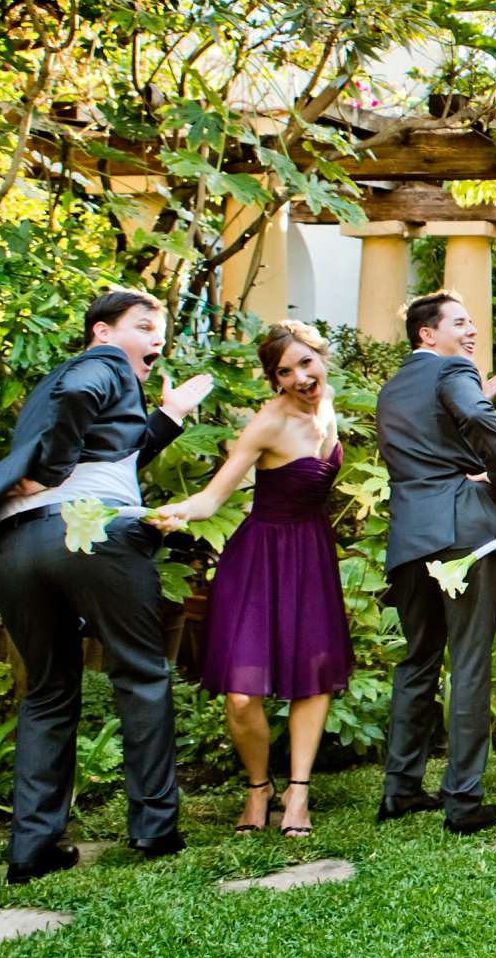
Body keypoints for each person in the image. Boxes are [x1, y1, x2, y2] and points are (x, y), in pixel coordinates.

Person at [0, 290, 212, 883]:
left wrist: (169, 415)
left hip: (15, 545)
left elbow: (111, 457)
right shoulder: (99, 367)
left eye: (162, 329)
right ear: (102, 331)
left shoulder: (57, 384)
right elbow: (81, 418)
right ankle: (154, 829)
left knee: (48, 692)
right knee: (142, 675)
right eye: (145, 326)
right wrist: (51, 469)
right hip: (87, 532)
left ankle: (31, 850)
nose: (158, 338)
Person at [150, 321, 350, 838]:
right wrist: (177, 512)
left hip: (311, 557)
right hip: (260, 558)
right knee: (241, 694)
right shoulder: (267, 423)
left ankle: (298, 792)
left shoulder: (328, 408)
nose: (300, 377)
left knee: (313, 674)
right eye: (286, 372)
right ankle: (258, 785)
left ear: (320, 357)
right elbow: (213, 498)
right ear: (275, 380)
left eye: (306, 363)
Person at [374, 290, 496, 835]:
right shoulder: (451, 370)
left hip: (409, 533)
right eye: (460, 322)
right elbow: (481, 420)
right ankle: (463, 799)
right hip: (462, 525)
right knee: (470, 660)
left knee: (418, 659)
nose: (472, 330)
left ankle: (401, 788)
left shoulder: (392, 388)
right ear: (427, 335)